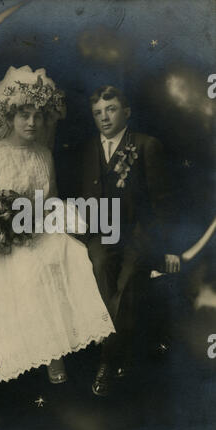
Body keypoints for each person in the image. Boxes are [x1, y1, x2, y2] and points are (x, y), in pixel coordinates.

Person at [0, 66, 115, 384]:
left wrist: (52, 221)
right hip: (3, 239)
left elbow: (50, 198)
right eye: (24, 115)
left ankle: (87, 334)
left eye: (38, 116)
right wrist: (5, 228)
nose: (32, 123)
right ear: (10, 118)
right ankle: (53, 355)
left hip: (38, 227)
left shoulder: (42, 155)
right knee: (32, 270)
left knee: (74, 253)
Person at [75, 85, 180, 396]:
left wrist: (169, 248)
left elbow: (163, 200)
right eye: (97, 113)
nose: (104, 117)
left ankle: (108, 359)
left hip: (139, 234)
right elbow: (84, 198)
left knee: (128, 280)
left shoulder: (147, 145)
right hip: (102, 232)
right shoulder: (88, 149)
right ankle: (122, 350)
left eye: (111, 109)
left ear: (127, 112)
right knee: (99, 265)